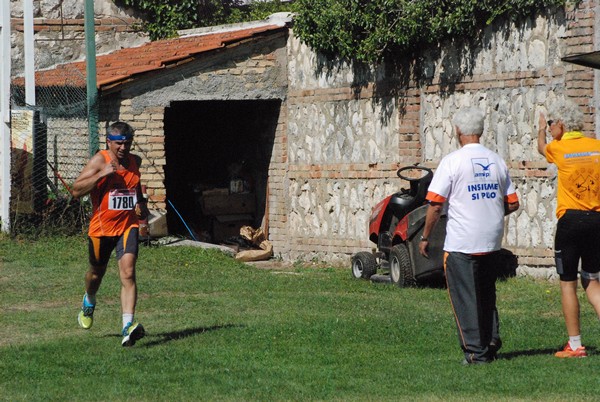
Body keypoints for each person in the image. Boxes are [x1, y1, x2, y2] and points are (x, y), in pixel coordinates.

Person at [419, 107, 520, 365]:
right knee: (486, 292)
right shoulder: (496, 160)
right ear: (481, 131)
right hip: (491, 239)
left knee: (464, 297)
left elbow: (435, 204)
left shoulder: (452, 162)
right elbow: (512, 203)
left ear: (458, 131)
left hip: (462, 241)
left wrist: (425, 236)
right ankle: (491, 340)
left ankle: (475, 352)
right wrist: (490, 213)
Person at [71, 121, 149, 347]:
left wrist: (141, 204)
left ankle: (127, 327)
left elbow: (134, 185)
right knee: (96, 274)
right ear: (109, 142)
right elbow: (76, 190)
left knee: (128, 273)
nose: (124, 148)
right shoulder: (99, 160)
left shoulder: (135, 161)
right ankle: (89, 300)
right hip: (102, 229)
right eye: (119, 144)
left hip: (127, 225)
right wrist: (101, 174)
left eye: (127, 143)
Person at [537, 98, 600, 358]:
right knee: (593, 281)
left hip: (571, 222)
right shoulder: (597, 147)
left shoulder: (560, 148)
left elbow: (542, 149)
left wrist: (540, 129)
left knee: (567, 282)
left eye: (552, 124)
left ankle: (575, 345)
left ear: (561, 125)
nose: (551, 128)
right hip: (597, 220)